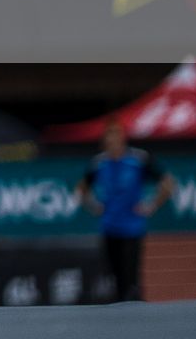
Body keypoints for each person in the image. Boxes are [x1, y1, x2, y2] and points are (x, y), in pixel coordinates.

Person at [75, 117, 174, 302]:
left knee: (131, 278)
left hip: (132, 228)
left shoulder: (138, 159)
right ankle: (120, 319)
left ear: (123, 137)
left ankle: (136, 312)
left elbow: (168, 183)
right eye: (108, 135)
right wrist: (94, 206)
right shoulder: (99, 163)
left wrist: (151, 205)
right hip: (109, 227)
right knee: (115, 277)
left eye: (116, 134)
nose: (111, 140)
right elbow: (80, 189)